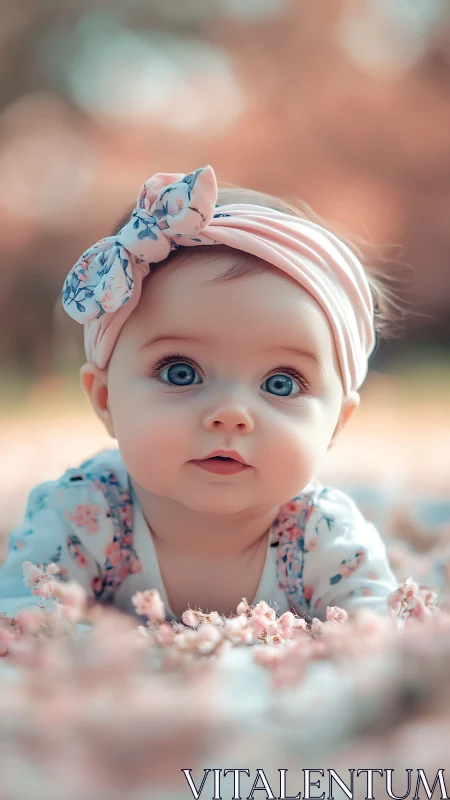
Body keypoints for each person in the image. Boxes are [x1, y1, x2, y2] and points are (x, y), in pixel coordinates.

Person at [0, 165, 399, 623]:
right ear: (106, 399)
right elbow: (21, 622)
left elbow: (384, 634)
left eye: (281, 383)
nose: (230, 415)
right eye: (181, 373)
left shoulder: (323, 534)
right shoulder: (82, 514)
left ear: (336, 424)